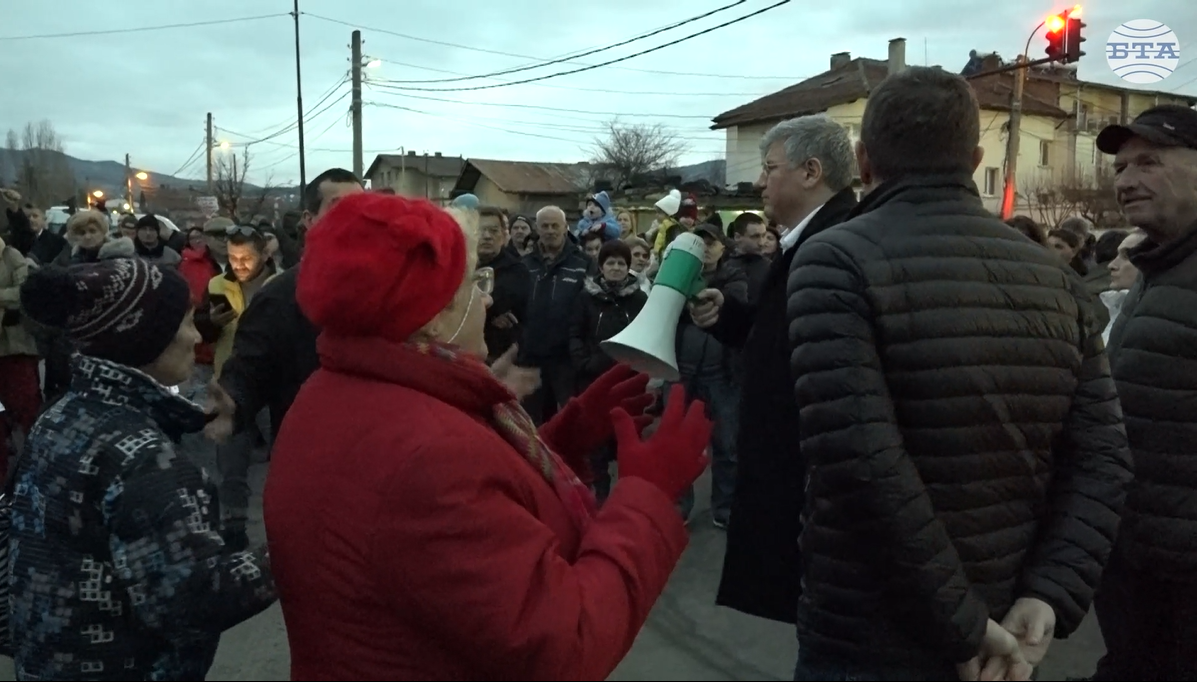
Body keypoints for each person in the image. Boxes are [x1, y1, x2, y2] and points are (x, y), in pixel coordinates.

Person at [263, 192, 713, 680]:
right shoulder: (426, 457)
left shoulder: (343, 389)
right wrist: (645, 496)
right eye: (473, 286)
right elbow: (563, 644)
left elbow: (464, 521)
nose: (488, 298)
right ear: (433, 316)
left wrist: (562, 439)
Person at [785, 66, 1131, 680]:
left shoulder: (835, 259)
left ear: (864, 161)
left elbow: (859, 462)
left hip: (875, 630)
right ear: (973, 159)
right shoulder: (1055, 277)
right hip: (1005, 626)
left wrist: (964, 623)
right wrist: (1047, 591)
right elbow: (1103, 457)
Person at [10, 258, 275, 681]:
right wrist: (282, 554)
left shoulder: (63, 414)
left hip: (48, 660)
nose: (195, 337)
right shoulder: (142, 454)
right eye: (187, 323)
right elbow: (192, 600)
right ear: (145, 339)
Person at [691, 114, 859, 624]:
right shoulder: (806, 240)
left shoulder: (835, 242)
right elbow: (782, 331)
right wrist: (732, 318)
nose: (760, 182)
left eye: (769, 169)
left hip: (811, 481)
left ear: (811, 172)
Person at [1093, 104, 1197, 680]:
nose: (1127, 180)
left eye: (1150, 162)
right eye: (1120, 167)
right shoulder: (1155, 270)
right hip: (1137, 558)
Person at [568, 239, 649, 502]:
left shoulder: (639, 299)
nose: (616, 268)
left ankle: (628, 494)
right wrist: (584, 363)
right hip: (594, 379)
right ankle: (600, 494)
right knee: (596, 442)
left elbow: (648, 335)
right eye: (610, 263)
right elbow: (575, 334)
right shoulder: (585, 297)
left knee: (627, 437)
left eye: (621, 263)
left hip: (628, 380)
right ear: (601, 266)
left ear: (629, 267)